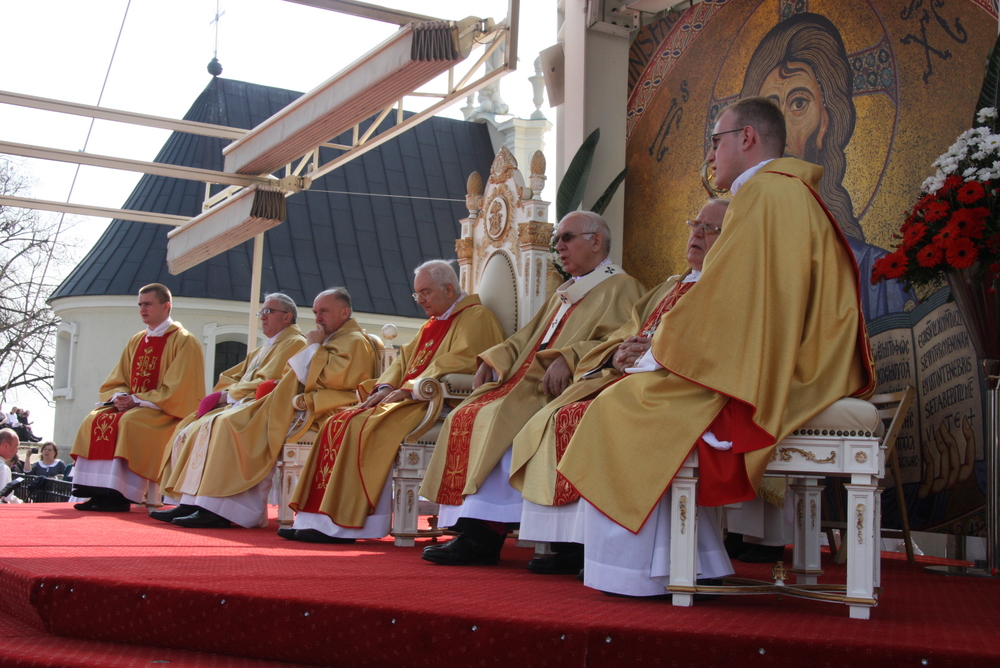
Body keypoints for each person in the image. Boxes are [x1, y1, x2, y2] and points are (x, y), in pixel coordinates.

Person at [556, 97, 876, 597]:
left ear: (746, 138)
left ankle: (640, 571)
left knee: (622, 406)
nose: (710, 155)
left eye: (716, 140)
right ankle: (687, 559)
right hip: (788, 358)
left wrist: (659, 350)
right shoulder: (782, 192)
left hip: (785, 372)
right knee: (627, 399)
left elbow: (730, 302)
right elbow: (743, 301)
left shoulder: (766, 195)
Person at [510, 198, 729, 575]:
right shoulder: (670, 285)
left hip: (684, 387)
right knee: (563, 413)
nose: (696, 234)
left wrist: (654, 352)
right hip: (639, 380)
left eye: (709, 229)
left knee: (601, 414)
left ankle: (639, 562)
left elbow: (718, 345)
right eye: (694, 225)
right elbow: (628, 331)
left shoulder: (726, 284)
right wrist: (617, 355)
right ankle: (580, 547)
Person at [420, 211, 645, 566]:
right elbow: (527, 337)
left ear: (596, 241)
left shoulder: (623, 287)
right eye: (557, 239)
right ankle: (477, 531)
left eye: (566, 238)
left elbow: (622, 340)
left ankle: (514, 538)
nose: (559, 247)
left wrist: (570, 357)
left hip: (566, 387)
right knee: (468, 412)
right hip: (527, 383)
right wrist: (493, 357)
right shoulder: (565, 293)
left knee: (501, 416)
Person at [282, 260, 505, 543]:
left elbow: (463, 361)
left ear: (449, 289)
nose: (420, 300)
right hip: (409, 399)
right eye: (417, 294)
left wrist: (410, 388)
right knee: (338, 421)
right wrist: (386, 386)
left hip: (436, 404)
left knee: (359, 426)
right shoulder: (433, 323)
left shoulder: (477, 318)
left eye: (425, 292)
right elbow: (402, 361)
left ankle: (349, 525)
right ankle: (317, 519)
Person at [739, 11, 915, 319]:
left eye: (799, 103)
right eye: (771, 112)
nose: (781, 132)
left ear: (826, 122)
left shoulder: (880, 278)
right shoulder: (738, 272)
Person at [161, 287, 377, 528]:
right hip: (298, 402)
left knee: (230, 423)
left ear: (345, 312)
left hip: (323, 409)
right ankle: (198, 501)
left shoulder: (354, 341)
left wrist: (314, 348)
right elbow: (293, 375)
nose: (318, 318)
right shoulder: (331, 338)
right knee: (211, 422)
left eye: (324, 311)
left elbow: (329, 380)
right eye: (316, 312)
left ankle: (230, 509)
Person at [154, 293, 306, 528]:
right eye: (262, 312)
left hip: (265, 407)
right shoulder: (263, 349)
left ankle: (222, 509)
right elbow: (233, 377)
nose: (263, 317)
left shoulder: (294, 342)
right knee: (191, 425)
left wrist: (228, 395)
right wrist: (225, 393)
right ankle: (192, 500)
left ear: (287, 317)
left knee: (223, 424)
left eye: (268, 311)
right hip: (244, 403)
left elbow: (272, 383)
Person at [71, 284, 205, 512]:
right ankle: (97, 492)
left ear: (166, 306)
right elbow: (119, 378)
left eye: (148, 304)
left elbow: (181, 389)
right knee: (94, 419)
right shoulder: (137, 340)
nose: (142, 309)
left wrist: (138, 400)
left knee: (128, 423)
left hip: (166, 412)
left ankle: (119, 495)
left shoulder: (184, 341)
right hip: (135, 406)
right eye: (140, 304)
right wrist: (121, 396)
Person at [0, 428, 24, 503]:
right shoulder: (2, 468)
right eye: (16, 446)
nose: (16, 451)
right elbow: (5, 497)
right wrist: (21, 503)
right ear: (6, 445)